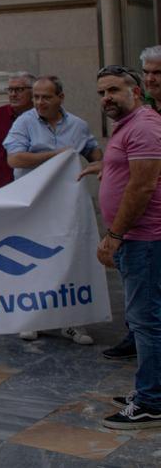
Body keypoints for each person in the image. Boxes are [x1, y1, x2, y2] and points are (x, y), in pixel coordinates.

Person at [86, 66, 161, 429]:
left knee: (146, 322)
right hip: (137, 239)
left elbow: (143, 186)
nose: (107, 98)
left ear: (135, 91)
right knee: (145, 319)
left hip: (143, 239)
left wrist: (114, 236)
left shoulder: (143, 125)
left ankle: (152, 402)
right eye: (102, 92)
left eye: (114, 90)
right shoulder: (129, 125)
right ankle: (151, 389)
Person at [4, 75, 101, 344]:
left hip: (67, 206)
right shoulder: (24, 123)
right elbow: (15, 158)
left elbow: (94, 153)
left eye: (46, 97)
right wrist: (56, 155)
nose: (39, 102)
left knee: (69, 259)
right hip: (34, 205)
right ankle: (32, 319)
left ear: (61, 97)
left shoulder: (78, 126)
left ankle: (71, 322)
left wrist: (103, 166)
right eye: (36, 97)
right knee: (32, 261)